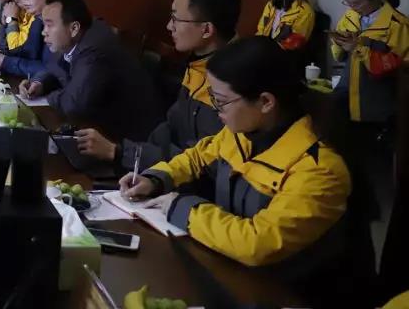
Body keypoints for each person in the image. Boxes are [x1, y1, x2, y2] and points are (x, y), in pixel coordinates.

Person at [121, 36, 353, 308]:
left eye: (221, 101)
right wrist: (156, 179)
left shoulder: (320, 170)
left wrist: (183, 207)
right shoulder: (244, 133)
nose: (215, 109)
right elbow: (198, 156)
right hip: (230, 273)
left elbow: (258, 243)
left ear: (265, 101)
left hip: (284, 295)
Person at [75, 0, 240, 174]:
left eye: (176, 19)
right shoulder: (198, 63)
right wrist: (128, 152)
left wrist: (118, 152)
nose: (169, 26)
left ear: (206, 30)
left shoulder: (231, 86)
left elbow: (200, 164)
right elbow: (170, 127)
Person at [18, 0, 159, 142]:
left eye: (49, 25)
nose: (43, 32)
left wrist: (49, 95)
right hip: (97, 125)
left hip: (129, 138)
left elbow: (73, 105)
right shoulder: (76, 36)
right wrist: (39, 83)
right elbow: (54, 66)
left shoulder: (93, 51)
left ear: (74, 28)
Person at [330, 0, 408, 125]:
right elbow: (338, 57)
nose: (352, 8)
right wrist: (339, 42)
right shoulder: (350, 17)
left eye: (357, 3)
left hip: (376, 103)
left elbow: (398, 66)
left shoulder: (397, 25)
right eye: (348, 3)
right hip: (346, 92)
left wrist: (357, 48)